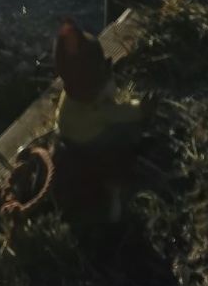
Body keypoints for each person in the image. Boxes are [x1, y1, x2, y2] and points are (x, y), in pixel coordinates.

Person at [52, 17, 142, 222]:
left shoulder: (67, 100)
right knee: (125, 133)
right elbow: (124, 113)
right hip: (92, 144)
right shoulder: (97, 107)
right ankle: (114, 191)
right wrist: (141, 109)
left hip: (67, 139)